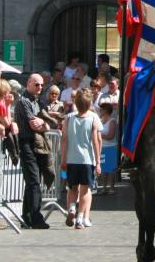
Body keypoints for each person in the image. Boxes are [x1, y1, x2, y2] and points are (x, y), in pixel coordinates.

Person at [61, 90, 102, 229]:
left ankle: (71, 207)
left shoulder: (68, 118)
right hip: (87, 160)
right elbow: (95, 141)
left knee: (72, 188)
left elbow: (64, 139)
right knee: (85, 191)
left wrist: (63, 159)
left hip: (72, 159)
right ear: (90, 102)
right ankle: (79, 219)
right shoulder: (93, 118)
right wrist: (98, 162)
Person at [14, 74, 50, 229]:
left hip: (37, 144)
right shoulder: (24, 102)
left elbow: (48, 124)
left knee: (33, 181)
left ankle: (27, 217)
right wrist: (42, 123)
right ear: (28, 83)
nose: (40, 88)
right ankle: (35, 217)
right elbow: (34, 125)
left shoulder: (38, 101)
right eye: (37, 85)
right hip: (26, 143)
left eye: (42, 85)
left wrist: (43, 122)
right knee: (34, 180)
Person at [98, 102, 118, 194]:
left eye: (101, 109)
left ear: (105, 111)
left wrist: (99, 135)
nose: (99, 111)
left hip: (111, 147)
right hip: (102, 147)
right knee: (103, 169)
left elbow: (110, 136)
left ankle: (111, 188)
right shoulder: (100, 121)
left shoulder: (112, 121)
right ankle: (103, 187)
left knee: (110, 169)